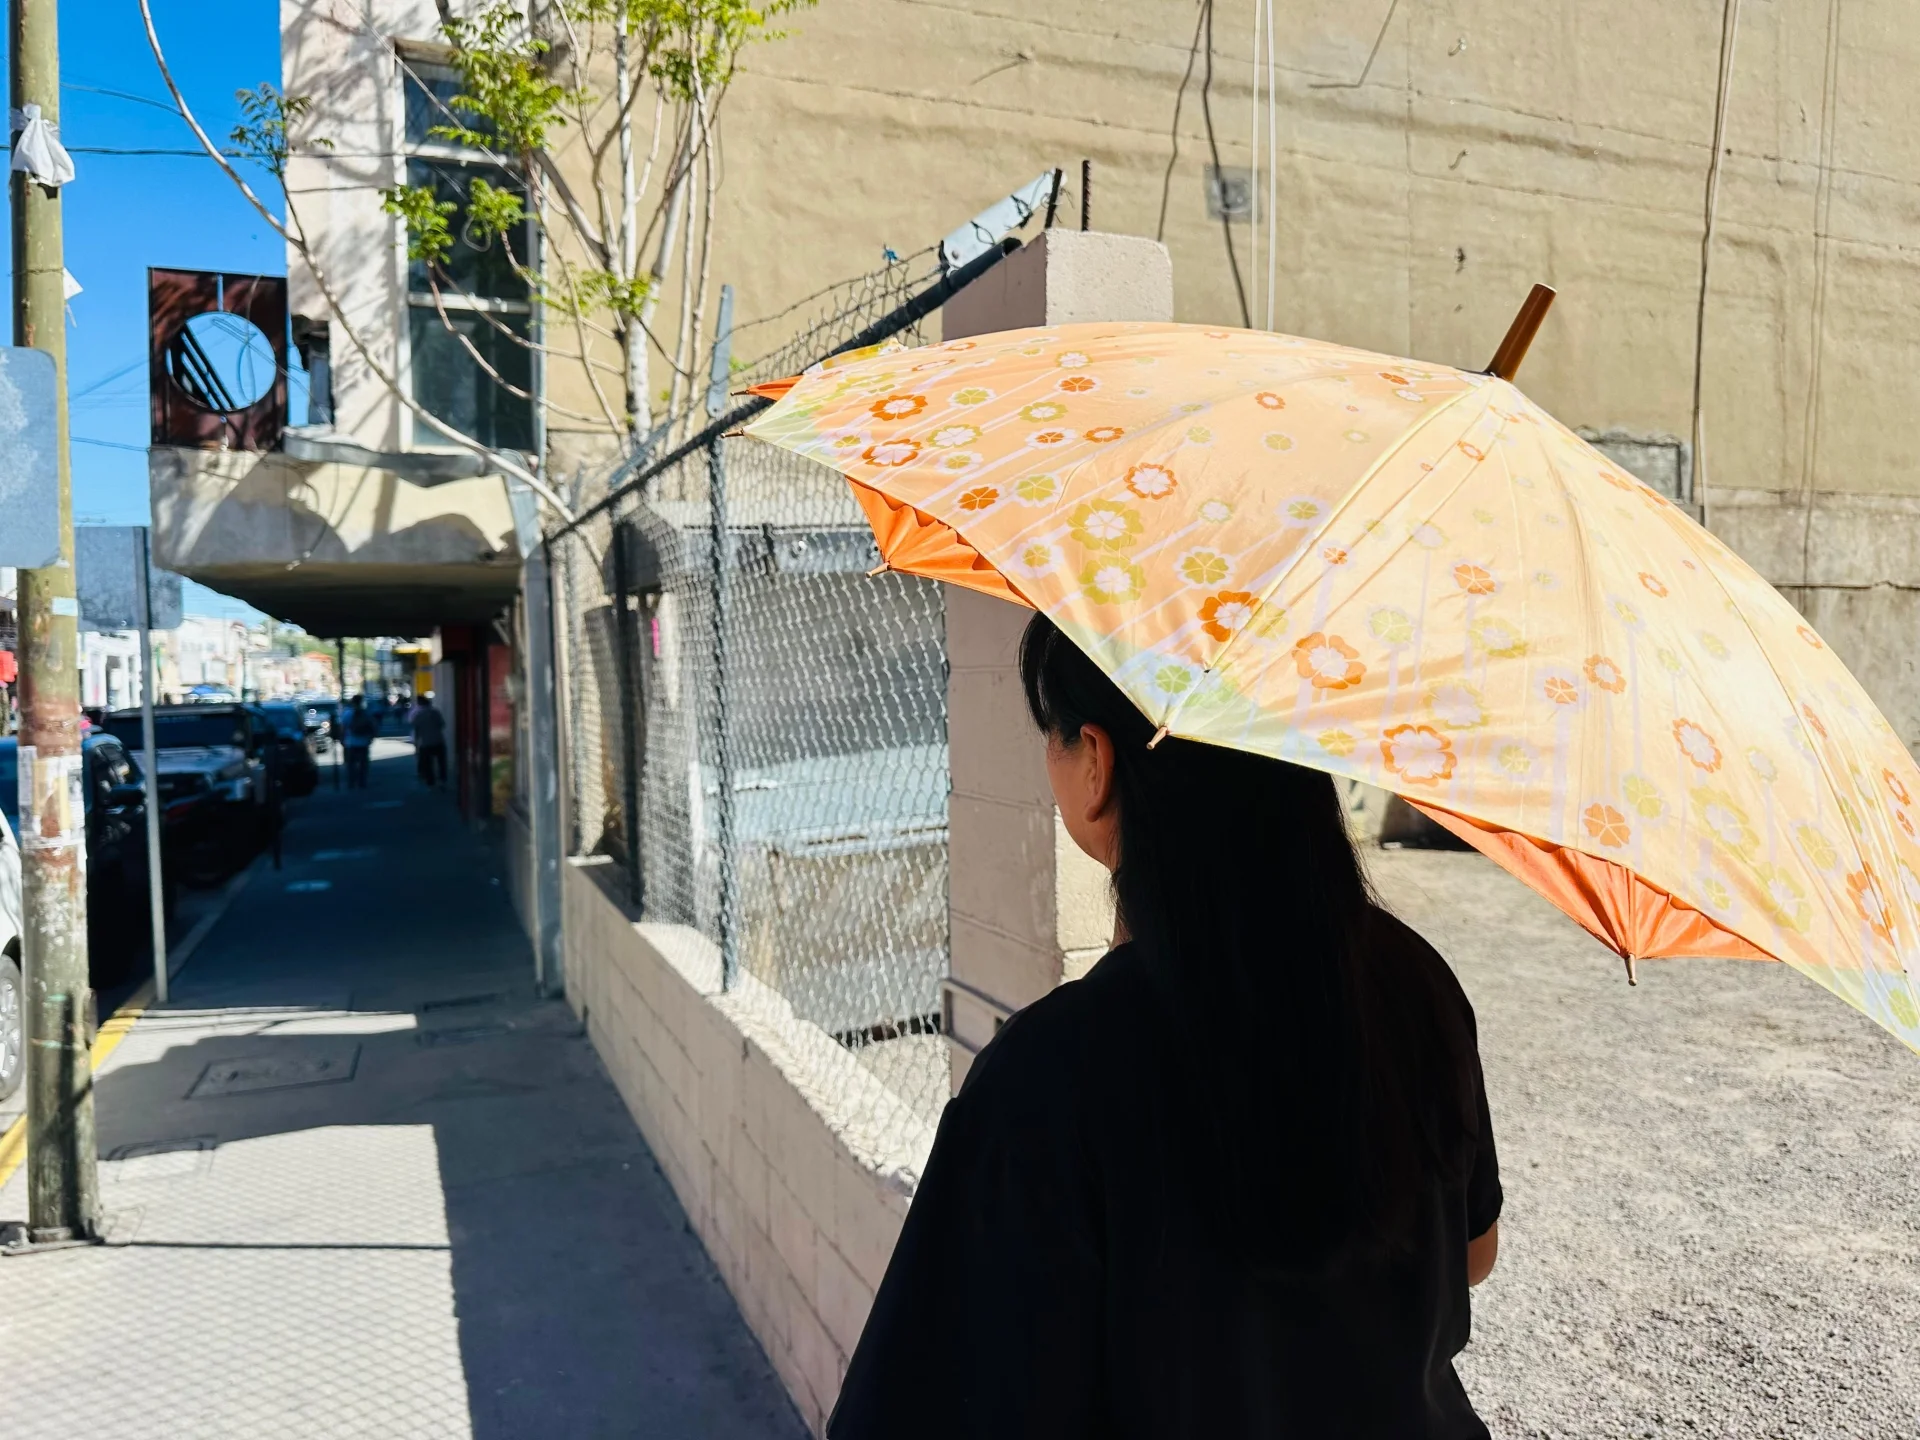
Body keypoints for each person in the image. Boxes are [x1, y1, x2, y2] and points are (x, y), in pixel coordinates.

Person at [828, 614, 1503, 1440]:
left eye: (1053, 736)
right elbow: (1472, 1253)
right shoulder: (1416, 980)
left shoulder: (1049, 1079)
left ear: (1097, 764)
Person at [408, 691, 447, 788]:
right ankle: (442, 779)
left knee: (428, 763)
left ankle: (431, 781)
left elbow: (416, 729)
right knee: (441, 761)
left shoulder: (417, 715)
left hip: (425, 742)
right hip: (438, 740)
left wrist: (416, 743)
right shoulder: (435, 712)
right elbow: (442, 724)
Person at [341, 695, 376, 788]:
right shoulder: (366, 713)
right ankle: (362, 781)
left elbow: (343, 728)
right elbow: (372, 727)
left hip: (350, 742)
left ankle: (351, 782)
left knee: (351, 764)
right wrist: (370, 738)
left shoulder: (347, 713)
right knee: (363, 764)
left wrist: (342, 740)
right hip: (363, 742)